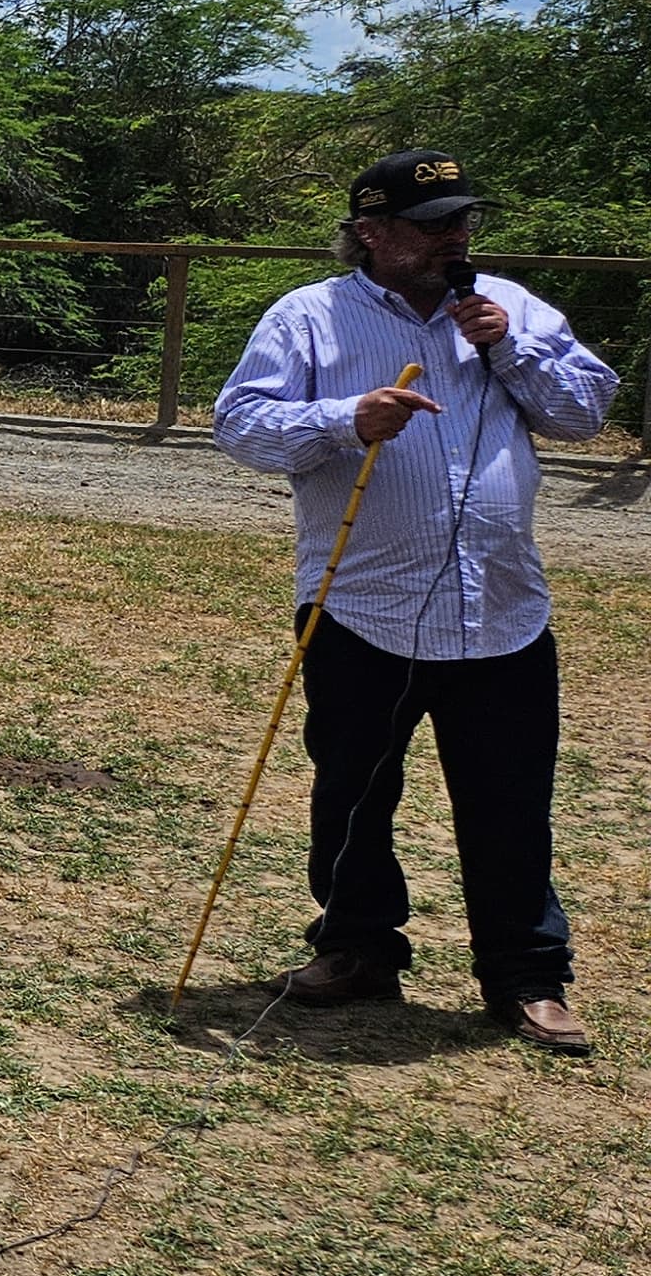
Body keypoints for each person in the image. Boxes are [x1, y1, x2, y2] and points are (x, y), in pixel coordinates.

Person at [212, 149, 620, 1056]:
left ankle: (526, 977)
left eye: (462, 220)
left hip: (503, 611)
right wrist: (342, 419)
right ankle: (358, 947)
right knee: (355, 790)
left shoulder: (510, 310)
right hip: (361, 606)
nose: (456, 237)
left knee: (511, 800)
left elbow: (586, 411)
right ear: (372, 231)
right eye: (433, 223)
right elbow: (239, 424)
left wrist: (508, 346)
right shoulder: (310, 316)